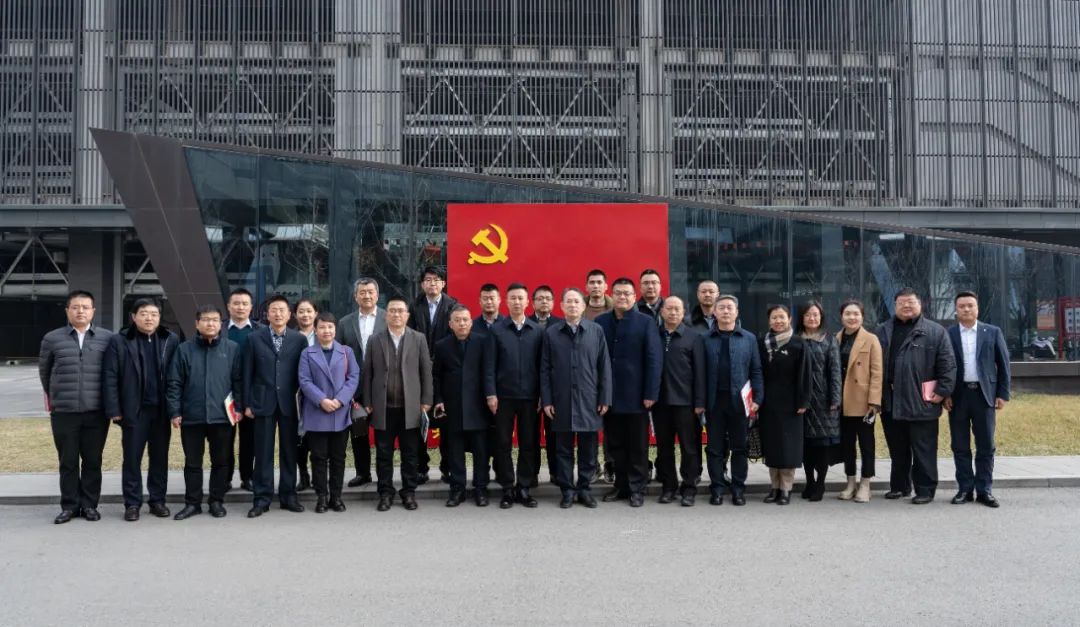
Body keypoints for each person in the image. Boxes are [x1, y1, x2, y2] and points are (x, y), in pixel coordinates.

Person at [39, 290, 114, 524]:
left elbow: (112, 373)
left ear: (93, 311)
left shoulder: (107, 338)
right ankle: (69, 506)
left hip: (96, 412)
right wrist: (57, 397)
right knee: (68, 461)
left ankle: (90, 505)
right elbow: (45, 372)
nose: (80, 311)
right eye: (75, 307)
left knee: (93, 461)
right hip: (64, 412)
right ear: (67, 311)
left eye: (85, 307)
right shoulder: (52, 338)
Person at [876, 287, 956, 504]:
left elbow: (948, 364)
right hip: (891, 400)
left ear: (920, 304)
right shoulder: (882, 330)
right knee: (897, 448)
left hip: (921, 400)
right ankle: (900, 486)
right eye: (901, 302)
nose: (906, 306)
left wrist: (942, 391)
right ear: (895, 306)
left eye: (911, 302)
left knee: (924, 449)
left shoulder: (935, 331)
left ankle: (925, 489)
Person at [102, 298, 179, 521]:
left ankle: (157, 500)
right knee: (132, 459)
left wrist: (175, 409)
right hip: (133, 410)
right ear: (133, 317)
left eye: (154, 314)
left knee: (160, 458)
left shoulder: (170, 339)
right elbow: (110, 376)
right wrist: (114, 408)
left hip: (161, 411)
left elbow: (176, 376)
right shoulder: (119, 341)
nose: (149, 318)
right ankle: (132, 503)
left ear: (159, 317)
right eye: (144, 314)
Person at [166, 305, 241, 520]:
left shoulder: (232, 348)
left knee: (221, 462)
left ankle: (216, 501)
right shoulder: (184, 349)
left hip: (222, 417)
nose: (210, 324)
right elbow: (174, 383)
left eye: (215, 320)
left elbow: (238, 381)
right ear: (197, 324)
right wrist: (175, 411)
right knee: (192, 463)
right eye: (206, 320)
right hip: (192, 417)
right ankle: (193, 503)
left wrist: (239, 407)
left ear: (221, 324)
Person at [541, 288, 612, 509]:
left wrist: (605, 397)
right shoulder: (552, 333)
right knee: (563, 449)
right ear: (561, 306)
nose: (572, 305)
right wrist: (547, 400)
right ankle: (567, 490)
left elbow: (604, 366)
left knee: (588, 449)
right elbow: (545, 369)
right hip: (561, 399)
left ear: (583, 306)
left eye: (576, 302)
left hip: (589, 399)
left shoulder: (596, 331)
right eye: (568, 301)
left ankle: (584, 489)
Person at [595, 278, 662, 507]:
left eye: (626, 293)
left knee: (637, 445)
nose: (622, 297)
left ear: (634, 297)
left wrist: (651, 392)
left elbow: (654, 359)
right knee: (615, 444)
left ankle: (637, 488)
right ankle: (621, 485)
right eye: (618, 293)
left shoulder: (646, 322)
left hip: (637, 396)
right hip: (610, 395)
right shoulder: (601, 321)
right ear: (612, 295)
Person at [242, 294, 309, 517]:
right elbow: (247, 373)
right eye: (274, 310)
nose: (278, 314)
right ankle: (262, 498)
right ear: (267, 314)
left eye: (282, 310)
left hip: (290, 403)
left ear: (290, 315)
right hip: (262, 402)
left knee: (290, 451)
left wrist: (304, 403)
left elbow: (303, 374)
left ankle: (288, 496)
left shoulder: (299, 340)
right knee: (262, 453)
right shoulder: (254, 338)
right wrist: (247, 404)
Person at [364, 297, 433, 512]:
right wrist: (367, 401)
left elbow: (426, 372)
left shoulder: (418, 339)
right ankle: (385, 493)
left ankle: (408, 492)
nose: (396, 314)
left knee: (410, 454)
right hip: (383, 408)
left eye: (400, 311)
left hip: (410, 408)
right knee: (383, 454)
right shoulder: (375, 340)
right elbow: (368, 373)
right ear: (386, 315)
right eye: (392, 311)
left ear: (407, 315)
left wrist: (426, 400)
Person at [945, 291, 1010, 508]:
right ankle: (965, 489)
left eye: (970, 305)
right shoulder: (949, 334)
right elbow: (942, 366)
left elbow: (1003, 365)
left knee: (986, 445)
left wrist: (1002, 394)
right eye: (962, 306)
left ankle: (984, 490)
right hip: (958, 396)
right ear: (956, 310)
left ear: (977, 308)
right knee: (960, 445)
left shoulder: (992, 332)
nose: (966, 309)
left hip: (984, 395)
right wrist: (945, 394)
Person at [485, 283, 543, 508]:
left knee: (528, 443)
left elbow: (543, 367)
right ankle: (508, 487)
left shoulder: (537, 331)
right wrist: (491, 393)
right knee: (503, 444)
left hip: (530, 397)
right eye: (513, 298)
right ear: (506, 302)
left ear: (528, 302)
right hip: (503, 397)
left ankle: (524, 487)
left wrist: (542, 395)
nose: (517, 302)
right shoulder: (497, 330)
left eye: (521, 298)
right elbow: (489, 366)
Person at [703, 295, 763, 506]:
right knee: (714, 448)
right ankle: (717, 489)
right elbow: (699, 373)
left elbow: (756, 370)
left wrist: (758, 398)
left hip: (740, 403)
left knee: (740, 447)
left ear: (737, 312)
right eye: (721, 308)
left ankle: (738, 489)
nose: (726, 311)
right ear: (714, 312)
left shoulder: (748, 338)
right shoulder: (705, 339)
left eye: (730, 308)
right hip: (714, 402)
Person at [297, 312, 359, 514]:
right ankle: (322, 496)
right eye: (322, 327)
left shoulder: (346, 352)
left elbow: (353, 378)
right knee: (318, 457)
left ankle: (336, 496)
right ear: (315, 330)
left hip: (340, 413)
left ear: (335, 329)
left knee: (338, 457)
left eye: (330, 327)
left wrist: (340, 400)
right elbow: (304, 380)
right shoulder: (307, 353)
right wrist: (321, 400)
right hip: (317, 412)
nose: (326, 331)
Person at [434, 306, 494, 507]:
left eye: (465, 320)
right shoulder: (442, 346)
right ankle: (457, 489)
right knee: (455, 451)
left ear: (471, 322)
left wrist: (491, 396)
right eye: (457, 320)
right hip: (453, 407)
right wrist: (439, 399)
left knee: (481, 451)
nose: (462, 323)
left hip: (478, 406)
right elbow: (436, 376)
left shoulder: (483, 342)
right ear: (450, 324)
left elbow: (489, 372)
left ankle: (481, 489)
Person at [653, 296, 706, 506]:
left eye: (677, 309)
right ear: (662, 312)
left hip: (686, 403)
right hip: (660, 402)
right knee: (664, 448)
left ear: (683, 313)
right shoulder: (654, 335)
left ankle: (689, 488)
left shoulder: (694, 337)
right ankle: (669, 487)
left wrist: (700, 402)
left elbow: (700, 373)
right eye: (669, 308)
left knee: (689, 447)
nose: (673, 312)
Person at [407, 266, 457, 484]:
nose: (432, 283)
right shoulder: (413, 306)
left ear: (443, 283)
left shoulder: (453, 306)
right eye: (428, 279)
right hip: (418, 372)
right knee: (420, 419)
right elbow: (408, 336)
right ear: (422, 284)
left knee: (446, 420)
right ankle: (421, 467)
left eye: (437, 279)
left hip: (445, 372)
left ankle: (447, 467)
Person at [758, 304, 812, 505]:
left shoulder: (798, 343)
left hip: (791, 405)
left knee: (789, 448)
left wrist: (803, 400)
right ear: (769, 320)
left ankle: (786, 489)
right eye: (774, 317)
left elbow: (805, 374)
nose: (778, 321)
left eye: (782, 317)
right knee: (772, 446)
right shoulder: (761, 343)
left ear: (789, 319)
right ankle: (774, 487)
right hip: (768, 404)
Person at [336, 278, 385, 487]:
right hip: (355, 388)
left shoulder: (388, 318)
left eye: (370, 292)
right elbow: (339, 356)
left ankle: (384, 475)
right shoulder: (345, 322)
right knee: (359, 432)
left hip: (382, 387)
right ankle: (363, 472)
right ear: (355, 296)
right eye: (362, 292)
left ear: (377, 295)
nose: (367, 296)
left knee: (383, 433)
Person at [835, 299, 883, 503]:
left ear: (862, 317)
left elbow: (877, 373)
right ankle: (850, 482)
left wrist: (874, 402)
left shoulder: (871, 339)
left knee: (866, 444)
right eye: (848, 313)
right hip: (841, 402)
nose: (852, 317)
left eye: (856, 313)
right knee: (847, 445)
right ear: (841, 316)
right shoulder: (836, 338)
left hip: (863, 402)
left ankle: (865, 484)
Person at [797, 300, 842, 502]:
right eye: (808, 314)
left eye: (815, 314)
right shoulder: (796, 339)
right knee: (806, 444)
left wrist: (835, 399)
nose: (812, 318)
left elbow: (835, 372)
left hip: (824, 400)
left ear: (821, 317)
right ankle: (809, 482)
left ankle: (820, 483)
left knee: (822, 445)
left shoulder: (829, 340)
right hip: (802, 399)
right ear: (802, 317)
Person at [225, 287, 259, 492]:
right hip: (225, 393)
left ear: (251, 307)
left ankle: (248, 477)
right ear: (229, 306)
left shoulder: (260, 330)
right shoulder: (219, 329)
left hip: (251, 393)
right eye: (236, 303)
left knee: (249, 439)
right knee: (224, 439)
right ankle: (225, 478)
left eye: (244, 303)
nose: (240, 307)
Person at [529, 284, 562, 483]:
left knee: (554, 434)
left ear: (554, 302)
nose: (544, 302)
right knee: (530, 434)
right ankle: (531, 473)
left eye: (548, 298)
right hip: (530, 388)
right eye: (540, 298)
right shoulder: (525, 323)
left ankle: (555, 472)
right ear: (532, 302)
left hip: (554, 388)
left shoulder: (560, 325)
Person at [293, 298, 319, 493]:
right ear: (295, 315)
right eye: (301, 311)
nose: (305, 315)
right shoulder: (290, 336)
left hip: (320, 394)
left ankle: (319, 476)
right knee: (299, 439)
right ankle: (303, 474)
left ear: (315, 313)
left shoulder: (324, 333)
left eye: (309, 311)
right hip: (296, 395)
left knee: (317, 438)